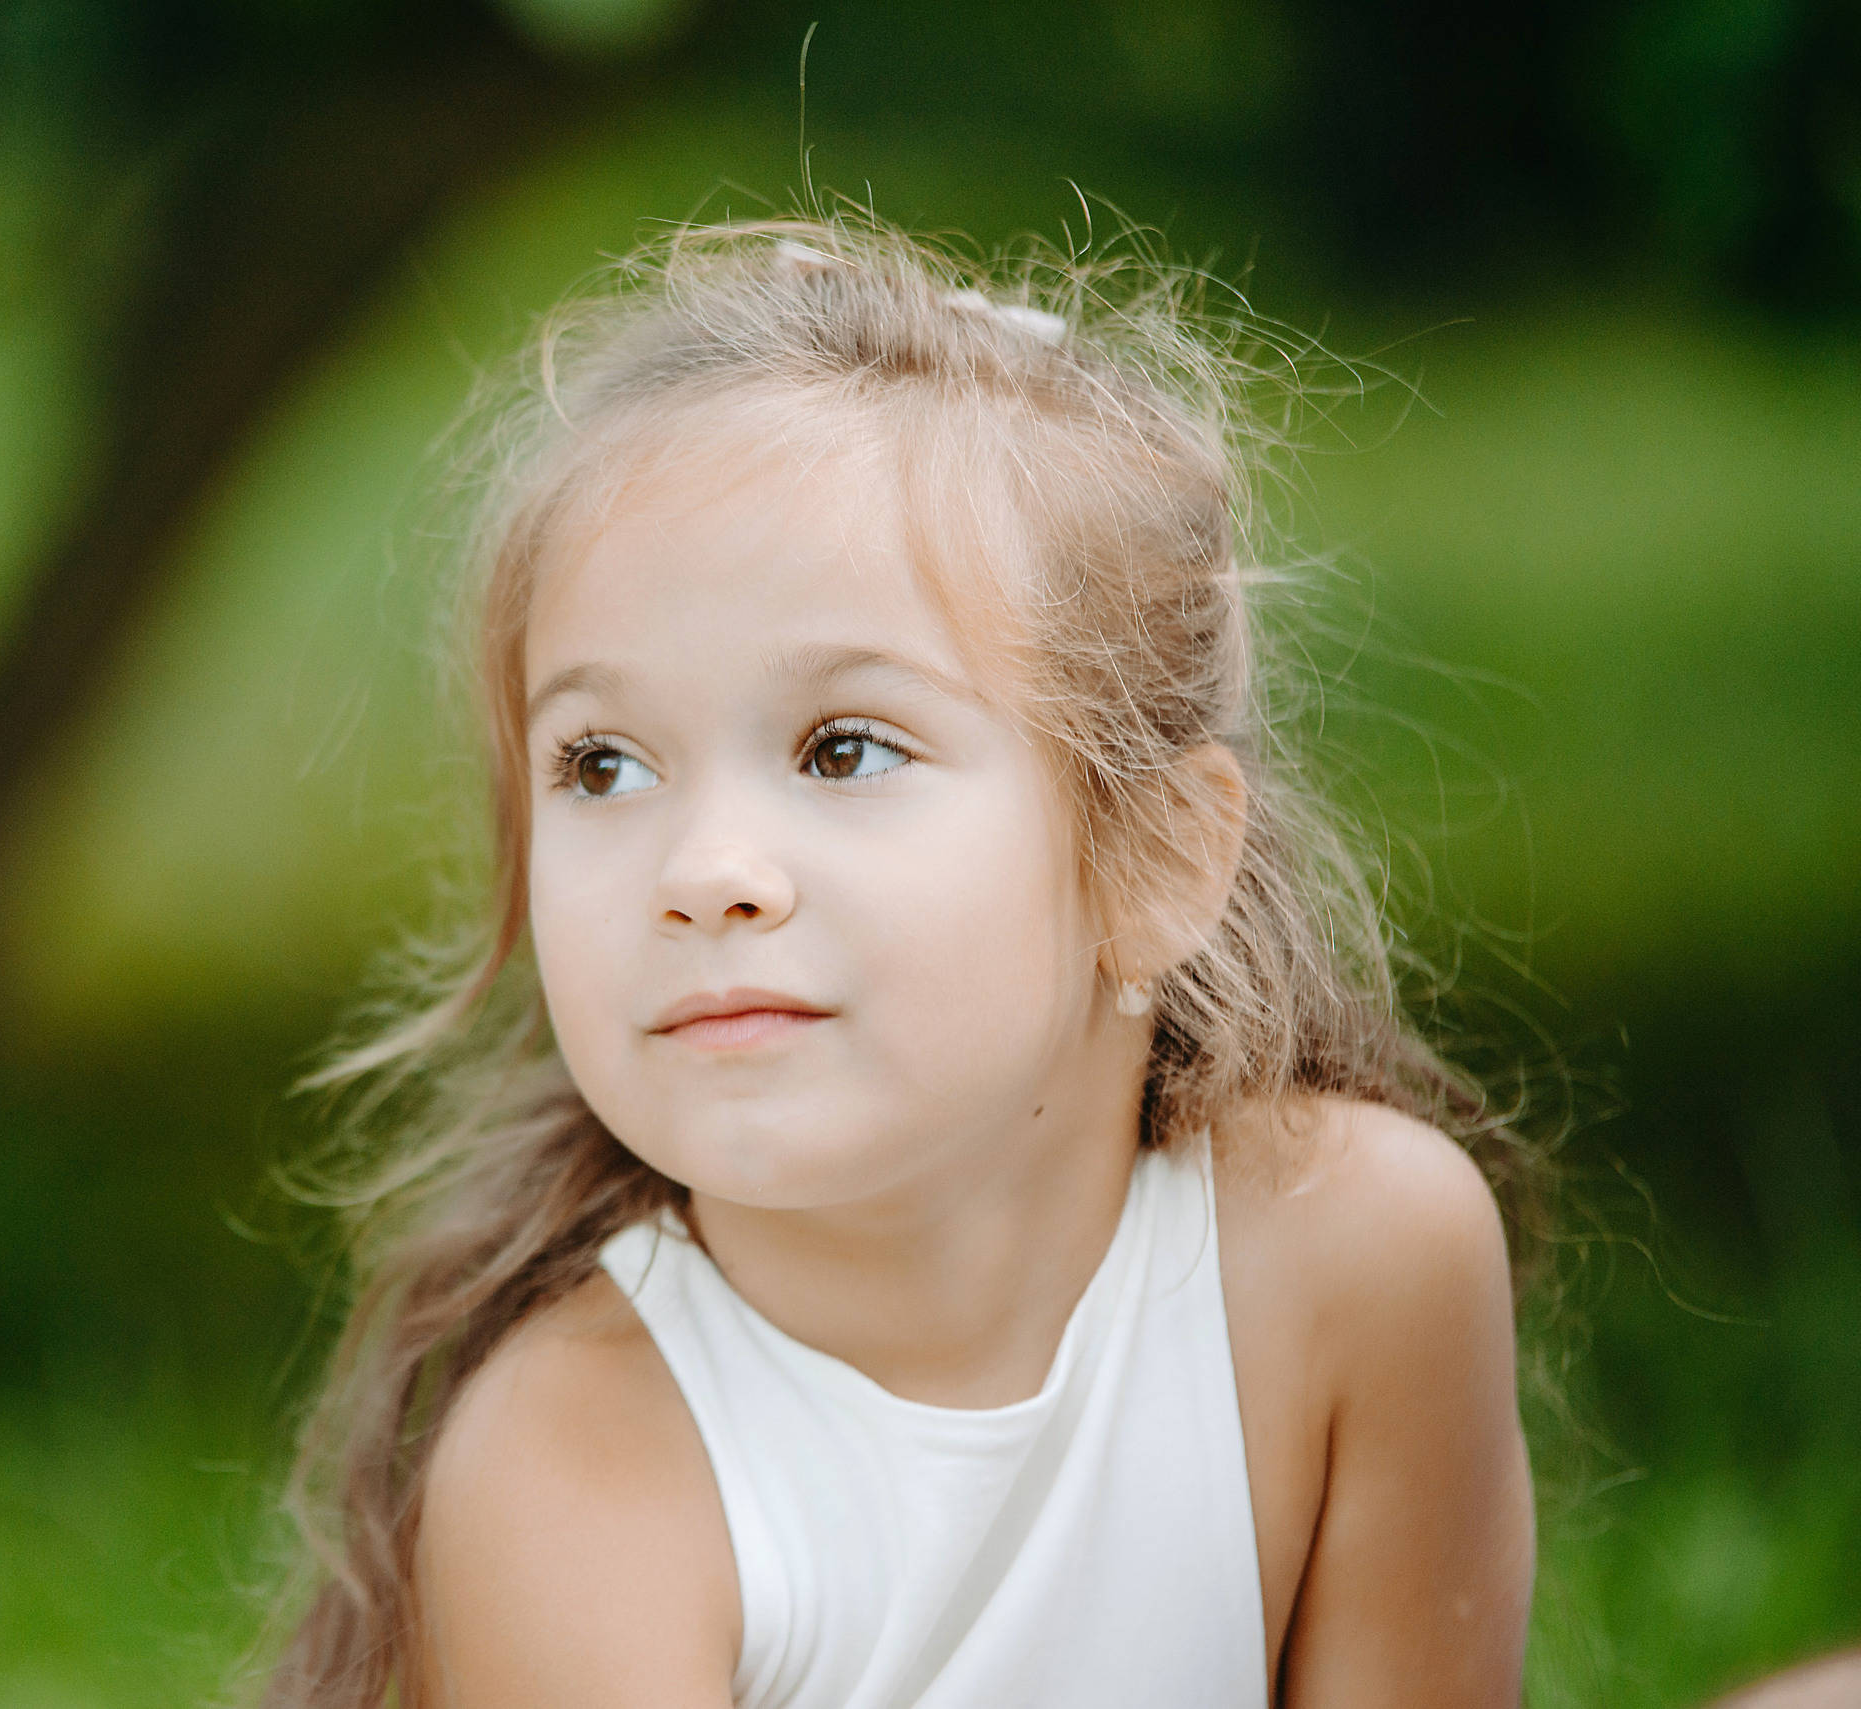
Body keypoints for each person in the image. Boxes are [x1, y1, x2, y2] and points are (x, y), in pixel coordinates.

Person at [264, 216, 1540, 1708]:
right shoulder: (581, 1464)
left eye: (843, 746)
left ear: (1154, 859)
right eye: (602, 764)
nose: (703, 874)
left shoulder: (1359, 1259)